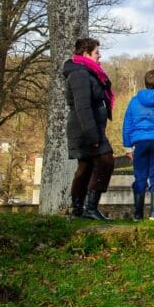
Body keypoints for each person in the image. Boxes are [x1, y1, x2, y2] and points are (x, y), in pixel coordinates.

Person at [64, 37, 115, 221]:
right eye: (96, 52)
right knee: (105, 161)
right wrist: (92, 135)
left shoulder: (88, 72)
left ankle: (78, 210)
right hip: (85, 129)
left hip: (89, 127)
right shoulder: (80, 74)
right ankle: (89, 208)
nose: (99, 55)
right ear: (86, 54)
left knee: (85, 167)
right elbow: (83, 106)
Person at [121, 69, 154, 221]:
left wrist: (127, 146)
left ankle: (138, 214)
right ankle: (153, 213)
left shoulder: (134, 101)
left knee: (140, 176)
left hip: (140, 142)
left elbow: (127, 124)